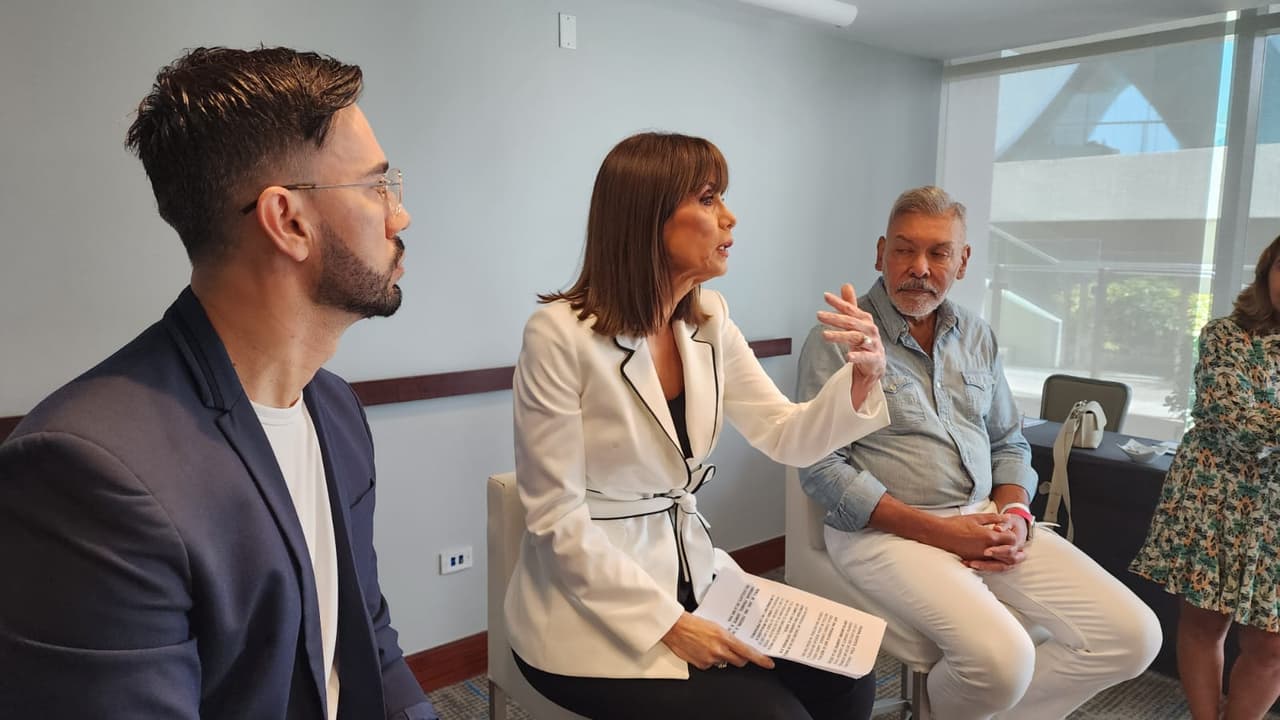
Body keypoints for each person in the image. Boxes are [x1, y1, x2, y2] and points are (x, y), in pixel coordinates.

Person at [0, 47, 436, 720]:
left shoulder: (335, 408)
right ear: (288, 221)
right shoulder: (86, 471)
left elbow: (368, 639)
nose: (398, 215)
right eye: (378, 185)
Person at [505, 131, 890, 720]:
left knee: (848, 676)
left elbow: (784, 434)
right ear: (647, 219)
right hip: (586, 608)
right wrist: (668, 625)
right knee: (772, 713)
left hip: (695, 573)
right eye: (709, 199)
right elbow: (556, 518)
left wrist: (859, 381)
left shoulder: (709, 320)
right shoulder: (557, 335)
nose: (730, 217)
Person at [796, 185, 1161, 720]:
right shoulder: (839, 338)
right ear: (880, 253)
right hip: (882, 532)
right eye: (904, 249)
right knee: (1003, 660)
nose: (919, 267)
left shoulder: (978, 336)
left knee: (1133, 636)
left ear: (962, 262)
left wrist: (1014, 513)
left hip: (987, 517)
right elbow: (820, 468)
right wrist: (940, 532)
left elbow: (1008, 441)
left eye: (938, 252)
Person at [1131, 235, 1280, 720]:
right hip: (1214, 497)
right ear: (1267, 273)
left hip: (1275, 513)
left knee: (1270, 644)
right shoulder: (1225, 335)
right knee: (1203, 624)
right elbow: (1233, 419)